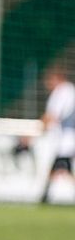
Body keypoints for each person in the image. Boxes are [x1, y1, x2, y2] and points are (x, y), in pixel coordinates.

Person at [38, 66, 75, 203]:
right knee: (62, 167)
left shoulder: (62, 92)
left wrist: (39, 129)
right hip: (66, 139)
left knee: (61, 166)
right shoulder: (69, 90)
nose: (47, 85)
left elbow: (52, 115)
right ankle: (45, 195)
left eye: (49, 81)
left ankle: (45, 195)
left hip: (66, 140)